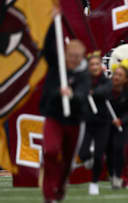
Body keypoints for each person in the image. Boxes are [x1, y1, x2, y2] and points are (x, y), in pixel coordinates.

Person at [40, 24, 91, 202]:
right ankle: (48, 194)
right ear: (65, 54)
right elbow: (48, 47)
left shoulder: (84, 73)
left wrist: (72, 95)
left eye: (78, 57)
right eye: (71, 56)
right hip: (54, 116)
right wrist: (55, 22)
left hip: (74, 120)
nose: (74, 60)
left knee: (68, 159)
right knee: (51, 151)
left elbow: (83, 93)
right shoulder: (56, 66)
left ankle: (60, 187)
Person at [78, 52, 112, 195]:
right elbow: (78, 94)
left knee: (99, 154)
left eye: (97, 64)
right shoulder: (84, 80)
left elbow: (106, 91)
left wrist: (93, 92)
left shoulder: (106, 81)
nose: (95, 67)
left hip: (103, 122)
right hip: (88, 121)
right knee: (83, 153)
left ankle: (94, 182)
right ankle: (87, 161)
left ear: (101, 66)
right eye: (92, 64)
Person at [107, 66, 128, 189]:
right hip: (109, 125)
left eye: (120, 75)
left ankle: (118, 176)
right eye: (115, 74)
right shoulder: (107, 90)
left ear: (125, 79)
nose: (116, 77)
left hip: (124, 126)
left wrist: (121, 120)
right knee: (108, 151)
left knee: (119, 149)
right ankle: (112, 174)